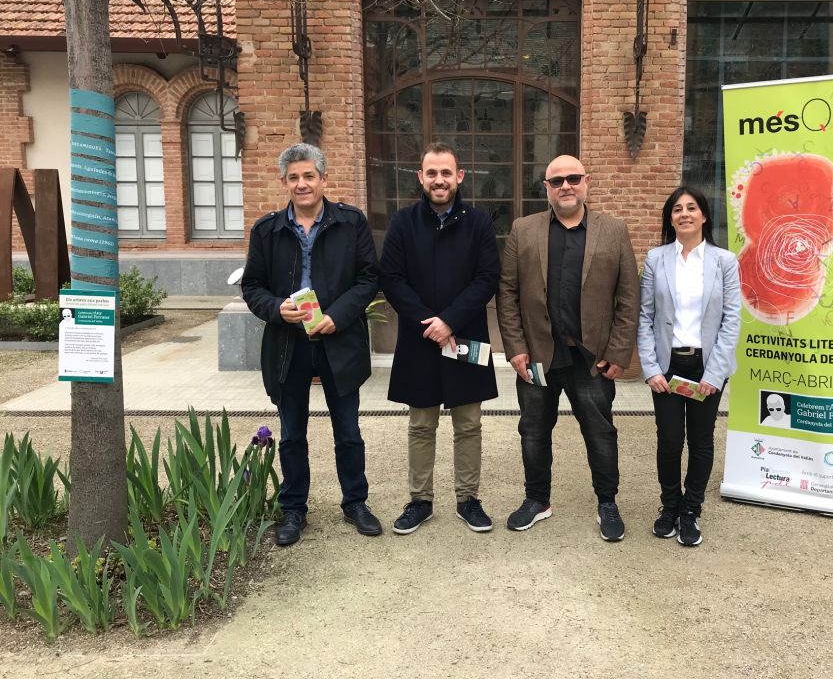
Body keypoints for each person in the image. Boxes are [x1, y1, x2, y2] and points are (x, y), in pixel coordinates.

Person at [241, 143, 382, 546]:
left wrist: (338, 315)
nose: (301, 184)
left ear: (324, 179)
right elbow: (252, 285)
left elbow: (369, 278)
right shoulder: (266, 230)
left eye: (309, 176)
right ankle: (294, 509)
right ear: (283, 182)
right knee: (291, 434)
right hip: (288, 344)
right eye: (293, 178)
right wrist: (274, 308)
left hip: (338, 339)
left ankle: (355, 502)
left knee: (349, 430)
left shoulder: (350, 223)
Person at [497, 154, 640, 542]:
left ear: (586, 182)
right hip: (538, 357)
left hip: (590, 358)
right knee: (533, 432)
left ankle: (607, 503)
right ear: (545, 188)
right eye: (556, 180)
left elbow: (629, 297)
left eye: (573, 178)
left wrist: (618, 351)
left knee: (600, 433)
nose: (566, 186)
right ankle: (537, 500)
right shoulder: (523, 230)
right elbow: (507, 294)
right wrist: (514, 348)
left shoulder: (613, 230)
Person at [380, 143, 500, 535]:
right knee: (420, 424)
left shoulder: (479, 222)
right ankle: (420, 500)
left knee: (469, 423)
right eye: (431, 173)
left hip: (465, 338)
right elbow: (392, 279)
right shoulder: (403, 222)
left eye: (446, 173)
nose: (439, 180)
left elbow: (487, 279)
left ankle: (468, 499)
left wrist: (449, 321)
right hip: (419, 340)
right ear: (420, 177)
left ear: (459, 177)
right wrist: (427, 322)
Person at [637, 185, 740, 547]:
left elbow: (732, 320)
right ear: (670, 218)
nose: (684, 214)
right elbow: (645, 316)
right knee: (668, 440)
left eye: (691, 207)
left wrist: (715, 373)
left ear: (704, 216)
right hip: (667, 364)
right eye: (677, 209)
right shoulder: (656, 259)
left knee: (700, 440)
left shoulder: (725, 262)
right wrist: (650, 368)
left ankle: (690, 510)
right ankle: (669, 506)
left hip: (706, 365)